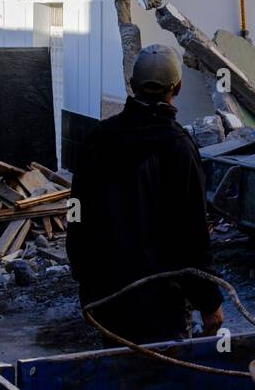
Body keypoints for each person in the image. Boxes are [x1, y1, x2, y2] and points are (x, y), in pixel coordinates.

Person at [67, 44, 225, 344]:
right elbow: (192, 233)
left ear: (132, 85)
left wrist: (85, 279)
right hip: (162, 307)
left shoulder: (97, 141)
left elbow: (75, 211)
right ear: (176, 88)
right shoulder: (179, 147)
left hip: (107, 299)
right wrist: (209, 302)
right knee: (162, 384)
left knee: (117, 380)